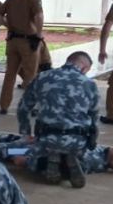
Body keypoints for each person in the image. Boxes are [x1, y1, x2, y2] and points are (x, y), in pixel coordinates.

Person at [17, 51, 99, 188]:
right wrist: (91, 141)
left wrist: (25, 133)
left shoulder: (42, 77)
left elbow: (23, 108)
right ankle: (69, 159)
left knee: (17, 151)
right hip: (77, 142)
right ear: (84, 68)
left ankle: (43, 160)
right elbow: (94, 118)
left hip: (45, 139)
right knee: (90, 154)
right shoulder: (90, 84)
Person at [0, 132, 113, 182]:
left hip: (27, 152)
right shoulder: (101, 152)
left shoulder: (91, 161)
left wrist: (27, 161)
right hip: (35, 144)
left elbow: (60, 168)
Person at [0, 0, 45, 114]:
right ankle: (31, 106)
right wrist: (39, 33)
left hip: (12, 41)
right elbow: (39, 16)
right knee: (31, 74)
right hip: (28, 42)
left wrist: (8, 25)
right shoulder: (35, 1)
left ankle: (4, 105)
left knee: (10, 74)